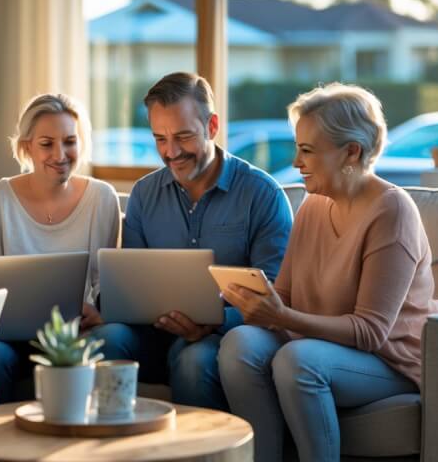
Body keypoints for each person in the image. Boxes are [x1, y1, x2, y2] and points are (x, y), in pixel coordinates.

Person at [218, 83, 438, 462]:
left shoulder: (392, 212)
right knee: (240, 344)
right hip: (319, 345)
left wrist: (282, 316)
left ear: (351, 152)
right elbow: (285, 296)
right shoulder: (312, 205)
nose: (295, 162)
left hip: (391, 360)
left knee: (298, 360)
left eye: (307, 150)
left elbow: (370, 332)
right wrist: (255, 302)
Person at [90, 72, 293, 410]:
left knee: (193, 360)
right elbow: (133, 278)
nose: (171, 152)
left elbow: (276, 292)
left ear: (212, 126)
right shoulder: (144, 194)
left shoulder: (262, 194)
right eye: (160, 139)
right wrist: (109, 304)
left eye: (183, 136)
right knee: (105, 340)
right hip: (153, 331)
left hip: (222, 337)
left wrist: (215, 320)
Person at [0, 93, 120, 402]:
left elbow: (104, 280)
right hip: (9, 337)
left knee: (112, 339)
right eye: (46, 144)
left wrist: (101, 310)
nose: (60, 154)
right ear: (26, 147)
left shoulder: (103, 199)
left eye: (70, 142)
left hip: (77, 334)